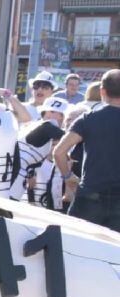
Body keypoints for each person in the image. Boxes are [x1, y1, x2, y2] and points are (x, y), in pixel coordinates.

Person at [54, 69, 120, 231]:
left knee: (75, 248)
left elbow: (59, 152)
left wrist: (68, 177)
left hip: (90, 195)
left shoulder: (88, 119)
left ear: (102, 91)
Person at [9, 97, 69, 209]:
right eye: (59, 113)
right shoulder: (46, 126)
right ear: (47, 112)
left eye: (62, 114)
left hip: (17, 172)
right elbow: (69, 137)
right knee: (6, 208)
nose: (62, 118)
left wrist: (31, 174)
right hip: (16, 173)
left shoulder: (36, 125)